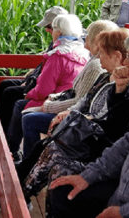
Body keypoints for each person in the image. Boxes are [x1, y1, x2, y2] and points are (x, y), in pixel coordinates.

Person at [48, 26, 129, 218]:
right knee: (63, 192)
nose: (126, 62)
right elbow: (125, 141)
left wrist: (124, 212)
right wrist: (87, 176)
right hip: (123, 187)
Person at [20, 20, 117, 157]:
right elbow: (79, 96)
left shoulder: (96, 65)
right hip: (68, 108)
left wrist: (50, 106)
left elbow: (81, 101)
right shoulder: (90, 59)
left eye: (87, 35)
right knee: (25, 112)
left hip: (78, 120)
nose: (84, 37)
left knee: (27, 116)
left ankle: (27, 159)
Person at [8, 14, 89, 161]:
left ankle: (17, 153)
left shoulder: (58, 56)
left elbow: (44, 90)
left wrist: (29, 94)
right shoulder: (83, 51)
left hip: (56, 100)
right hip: (69, 97)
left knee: (21, 106)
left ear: (58, 32)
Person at [0, 6, 68, 133]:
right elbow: (43, 67)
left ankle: (4, 136)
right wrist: (30, 78)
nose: (46, 30)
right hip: (38, 81)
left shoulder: (63, 49)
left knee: (10, 93)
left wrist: (30, 87)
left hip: (48, 90)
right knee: (5, 84)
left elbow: (49, 79)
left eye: (50, 27)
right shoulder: (56, 44)